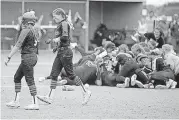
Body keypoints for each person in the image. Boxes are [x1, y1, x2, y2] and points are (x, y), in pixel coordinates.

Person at [36, 8, 91, 105]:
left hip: (66, 53)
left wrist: (54, 40)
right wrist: (56, 46)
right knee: (54, 74)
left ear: (61, 15)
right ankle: (50, 97)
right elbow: (63, 39)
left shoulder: (64, 24)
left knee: (71, 75)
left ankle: (86, 92)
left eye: (55, 16)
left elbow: (65, 37)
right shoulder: (61, 24)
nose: (53, 18)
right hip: (61, 52)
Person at [5, 11, 40, 110]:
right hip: (32, 56)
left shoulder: (25, 30)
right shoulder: (34, 30)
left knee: (30, 80)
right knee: (17, 77)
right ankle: (16, 101)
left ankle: (35, 103)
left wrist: (9, 57)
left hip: (27, 57)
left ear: (26, 21)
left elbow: (18, 45)